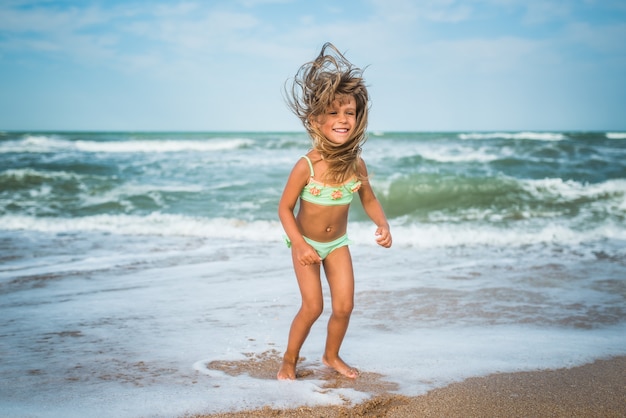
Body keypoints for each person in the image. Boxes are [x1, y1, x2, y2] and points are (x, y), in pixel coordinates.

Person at [277, 42, 392, 380]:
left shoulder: (356, 165)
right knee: (313, 306)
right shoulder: (306, 165)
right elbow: (284, 208)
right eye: (334, 112)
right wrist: (300, 245)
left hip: (337, 244)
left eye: (350, 113)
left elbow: (368, 198)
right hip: (306, 245)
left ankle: (331, 356)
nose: (343, 119)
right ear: (316, 119)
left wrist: (382, 223)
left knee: (344, 306)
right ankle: (289, 358)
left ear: (358, 119)